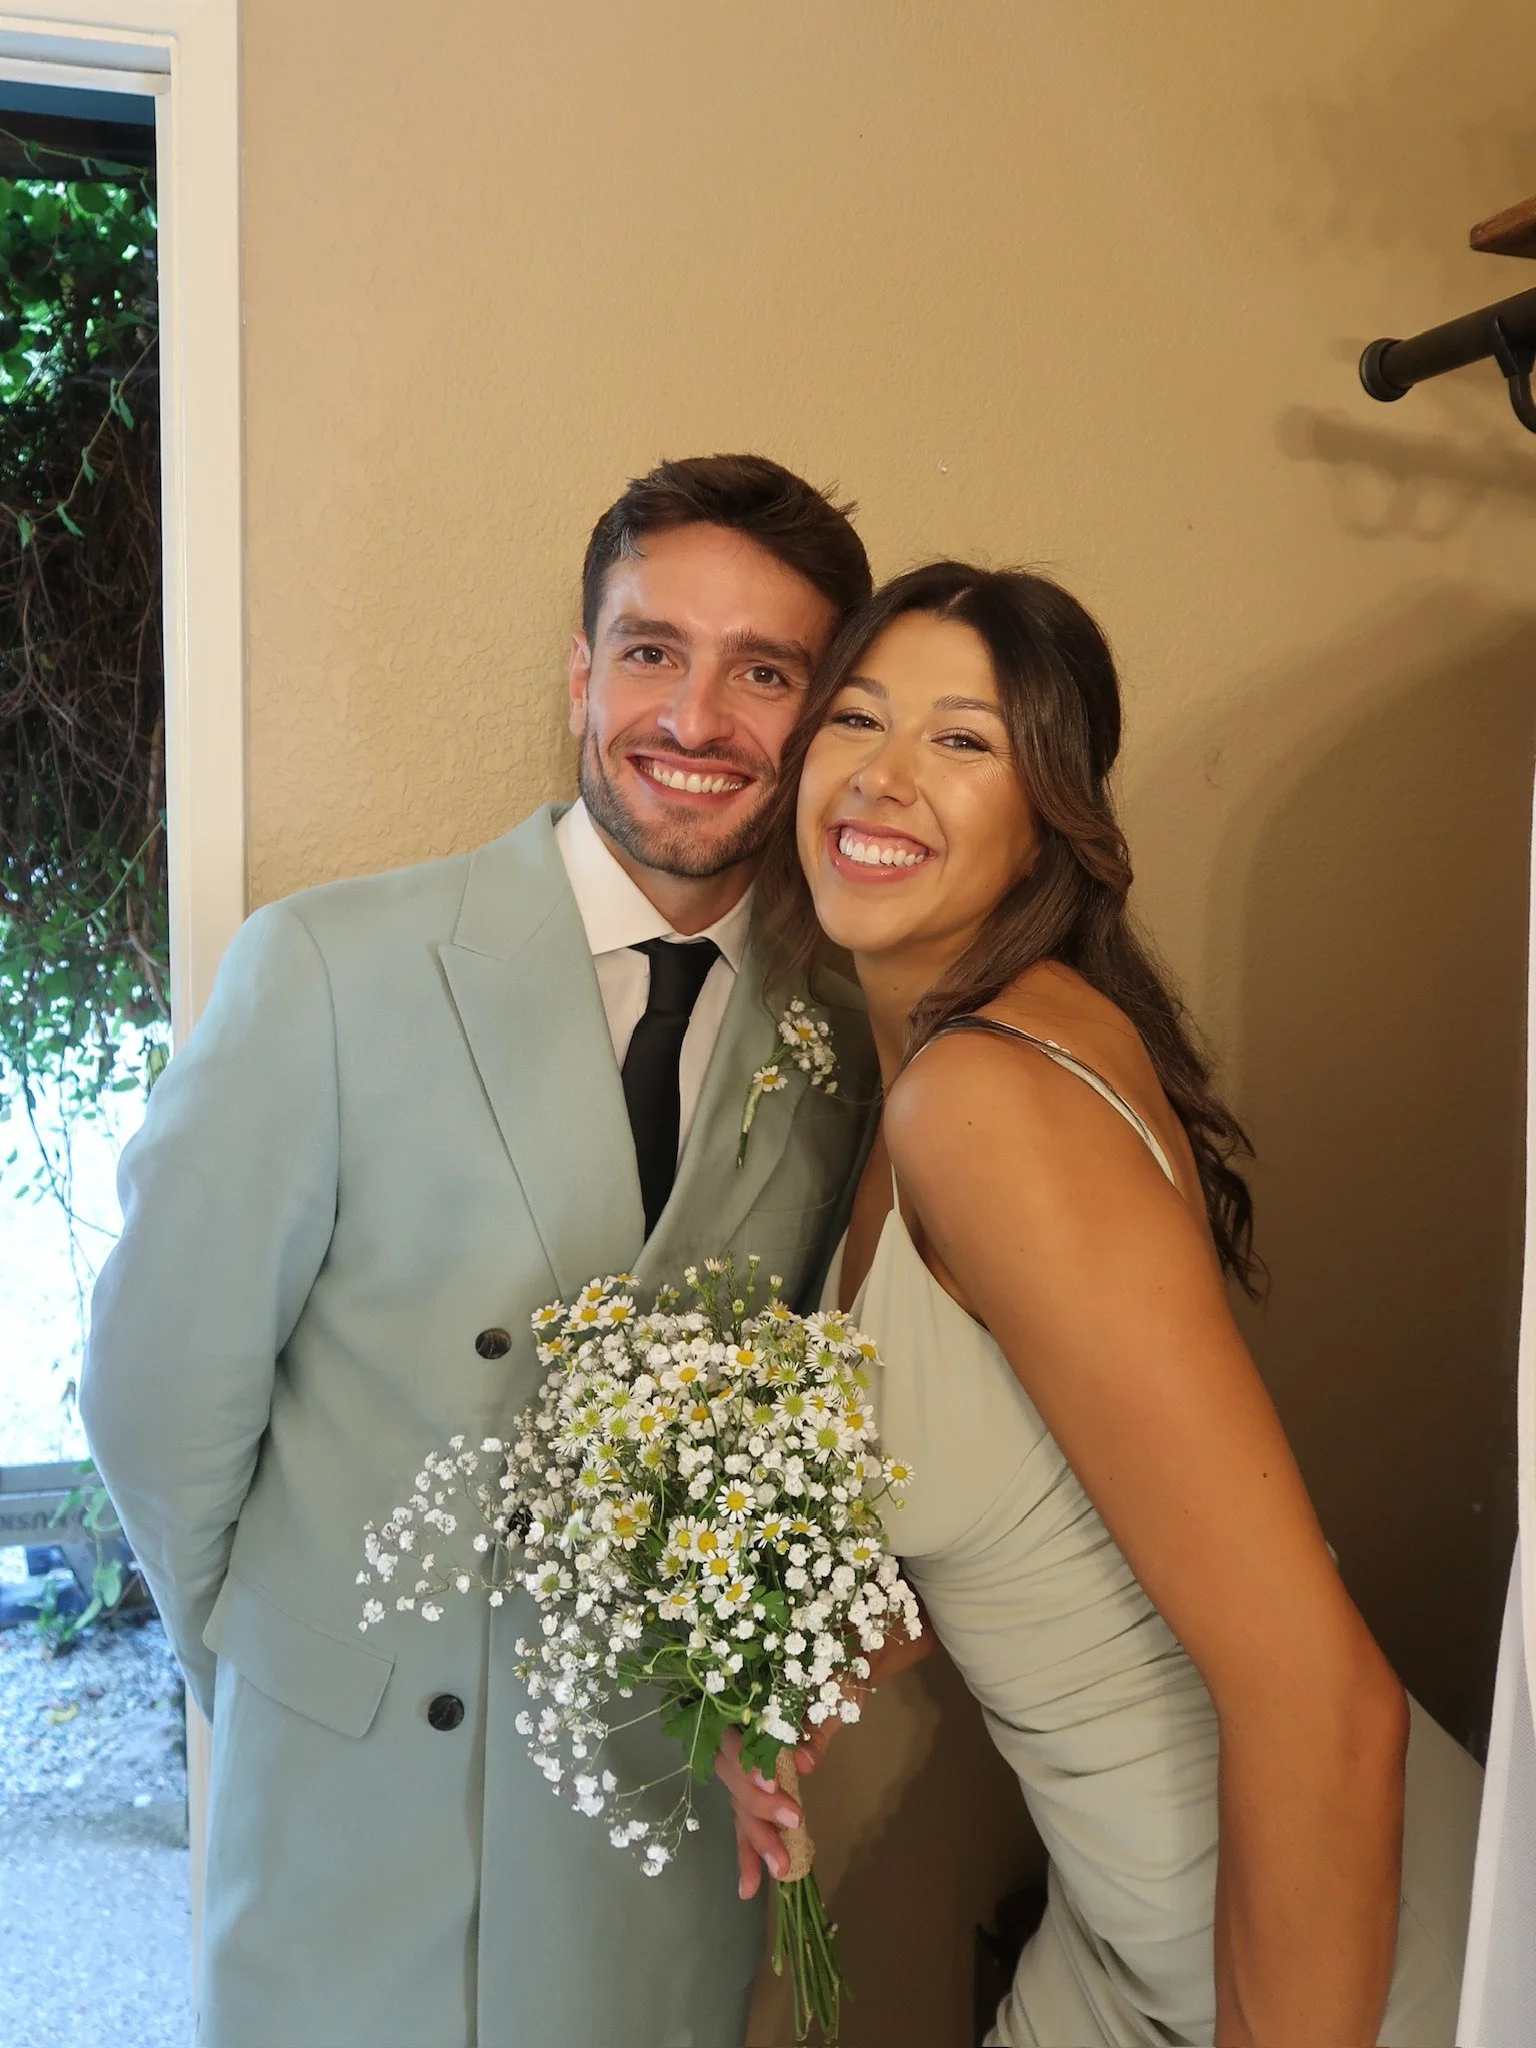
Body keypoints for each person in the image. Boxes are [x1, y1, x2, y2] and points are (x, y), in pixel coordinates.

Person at [80, 454, 881, 2048]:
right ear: (584, 676)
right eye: (653, 649)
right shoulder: (330, 967)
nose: (697, 716)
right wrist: (289, 1677)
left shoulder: (839, 1040)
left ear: (816, 722)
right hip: (353, 1856)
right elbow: (154, 1396)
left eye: (766, 670)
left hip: (646, 1856)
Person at [718, 561, 1483, 2046]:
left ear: (1048, 815)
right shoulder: (987, 1046)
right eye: (857, 719)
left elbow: (1331, 1703)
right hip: (1131, 1912)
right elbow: (1034, 1479)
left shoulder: (980, 1105)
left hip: (1296, 1937)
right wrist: (803, 1671)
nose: (883, 778)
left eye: (963, 741)